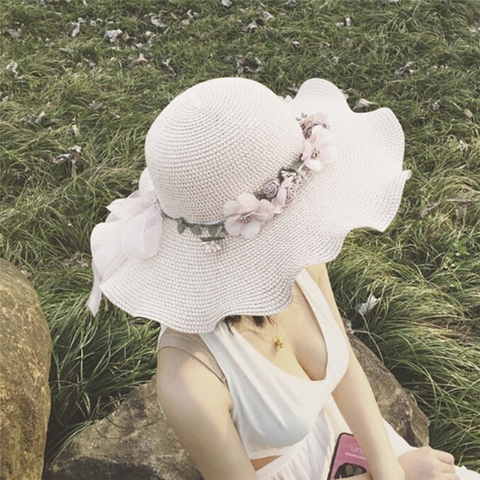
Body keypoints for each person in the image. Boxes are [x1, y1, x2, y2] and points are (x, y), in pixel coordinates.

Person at [88, 77, 479, 480]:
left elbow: (344, 365)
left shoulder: (296, 254)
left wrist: (391, 471)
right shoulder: (188, 379)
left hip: (361, 448)